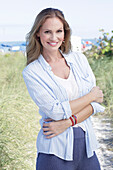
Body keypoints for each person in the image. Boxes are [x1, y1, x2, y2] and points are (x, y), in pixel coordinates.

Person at [22, 8, 105, 170]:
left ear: (65, 33)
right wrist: (90, 97)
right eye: (47, 32)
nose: (54, 38)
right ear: (38, 33)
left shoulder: (79, 60)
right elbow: (56, 112)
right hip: (54, 152)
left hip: (87, 147)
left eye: (59, 31)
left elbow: (98, 103)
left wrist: (67, 122)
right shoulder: (32, 72)